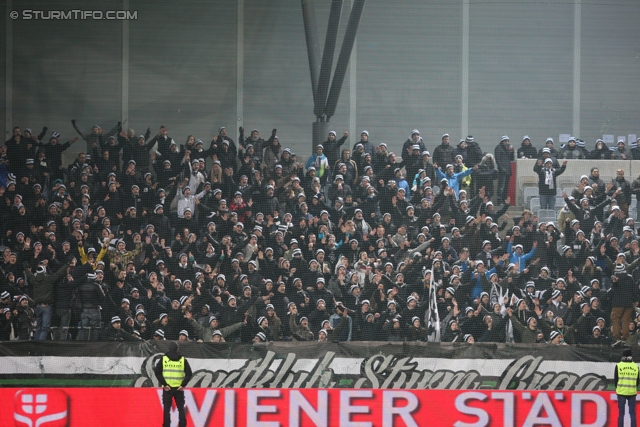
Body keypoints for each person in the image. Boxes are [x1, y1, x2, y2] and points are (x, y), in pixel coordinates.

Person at [154, 341, 193, 427]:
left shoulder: (164, 359)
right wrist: (183, 385)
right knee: (181, 409)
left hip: (167, 388)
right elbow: (189, 373)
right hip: (179, 388)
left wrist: (164, 384)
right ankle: (182, 425)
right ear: (177, 349)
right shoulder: (182, 359)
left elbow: (157, 372)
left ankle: (166, 425)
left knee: (167, 409)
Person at [616, 348, 639, 427]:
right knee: (632, 412)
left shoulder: (619, 365)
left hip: (621, 392)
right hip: (632, 392)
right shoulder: (636, 366)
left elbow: (616, 380)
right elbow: (637, 381)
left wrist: (618, 388)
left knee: (621, 413)